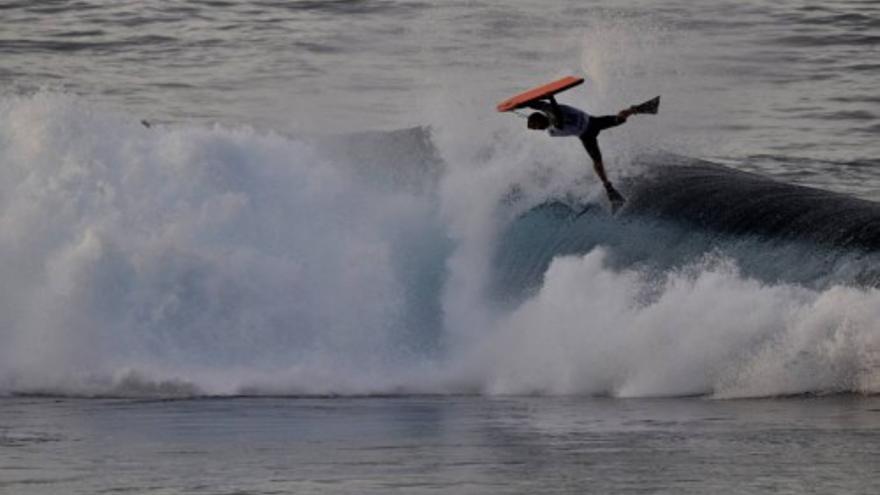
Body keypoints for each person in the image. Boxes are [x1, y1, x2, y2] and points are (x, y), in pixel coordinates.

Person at [523, 97, 636, 211]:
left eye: (537, 127)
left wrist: (525, 103)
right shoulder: (552, 131)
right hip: (587, 136)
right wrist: (551, 97)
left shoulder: (549, 109)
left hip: (593, 121)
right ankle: (610, 189)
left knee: (620, 119)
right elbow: (558, 119)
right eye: (536, 129)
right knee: (597, 162)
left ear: (540, 119)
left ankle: (634, 109)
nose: (539, 129)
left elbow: (539, 105)